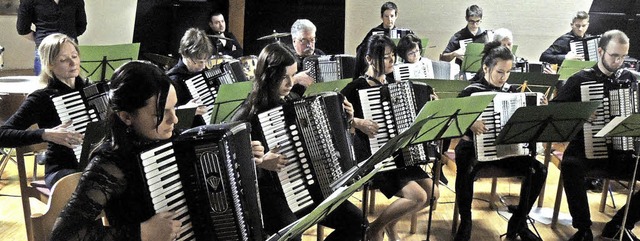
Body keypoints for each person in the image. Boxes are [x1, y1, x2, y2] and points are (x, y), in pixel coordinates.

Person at [231, 42, 365, 241]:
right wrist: (261, 163)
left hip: (307, 185)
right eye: (284, 77)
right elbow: (230, 164)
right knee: (292, 236)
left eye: (293, 75)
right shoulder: (247, 114)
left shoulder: (294, 100)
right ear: (268, 76)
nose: (290, 82)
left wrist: (348, 120)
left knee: (358, 223)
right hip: (270, 196)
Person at [341, 34, 439, 241]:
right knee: (418, 196)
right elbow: (334, 118)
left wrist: (430, 101)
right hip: (374, 156)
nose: (391, 60)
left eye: (393, 55)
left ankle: (388, 223)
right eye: (385, 57)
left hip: (399, 153)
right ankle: (375, 229)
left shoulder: (396, 84)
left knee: (434, 194)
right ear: (369, 59)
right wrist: (357, 122)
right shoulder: (355, 87)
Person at [453, 41, 547, 241]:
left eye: (508, 72)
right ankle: (466, 220)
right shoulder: (471, 92)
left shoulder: (513, 92)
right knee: (465, 165)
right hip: (474, 148)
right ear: (486, 68)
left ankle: (519, 222)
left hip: (505, 150)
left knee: (539, 170)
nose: (504, 78)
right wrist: (470, 122)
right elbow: (454, 120)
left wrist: (540, 110)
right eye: (500, 72)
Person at [552, 29, 640, 241]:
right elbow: (555, 112)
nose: (619, 61)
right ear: (600, 51)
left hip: (622, 151)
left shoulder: (631, 79)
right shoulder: (580, 80)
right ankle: (583, 229)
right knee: (570, 166)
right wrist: (580, 114)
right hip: (586, 148)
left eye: (623, 56)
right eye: (614, 55)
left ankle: (620, 224)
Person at [0, 33, 86, 188]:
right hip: (62, 169)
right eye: (63, 59)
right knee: (89, 185)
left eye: (74, 56)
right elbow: (3, 135)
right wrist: (46, 134)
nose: (72, 63)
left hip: (93, 164)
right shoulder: (42, 98)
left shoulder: (90, 90)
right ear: (50, 64)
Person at [16, 0, 87, 75]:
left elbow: (81, 26)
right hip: (45, 51)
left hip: (69, 50)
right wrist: (44, 41)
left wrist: (64, 41)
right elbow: (22, 29)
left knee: (70, 83)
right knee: (44, 83)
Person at [166, 28, 212, 127]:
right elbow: (164, 117)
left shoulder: (204, 72)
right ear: (185, 55)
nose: (203, 66)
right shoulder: (172, 80)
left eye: (205, 61)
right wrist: (187, 111)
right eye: (199, 61)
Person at [289, 19, 325, 95]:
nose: (309, 45)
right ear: (294, 41)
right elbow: (276, 86)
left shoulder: (320, 54)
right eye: (304, 41)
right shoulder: (288, 59)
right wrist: (295, 79)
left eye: (312, 40)